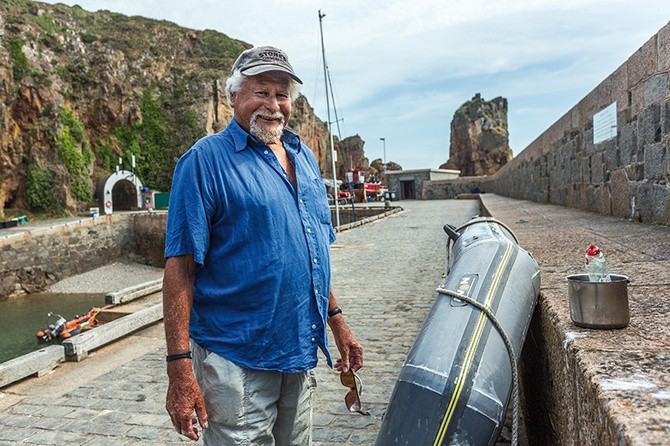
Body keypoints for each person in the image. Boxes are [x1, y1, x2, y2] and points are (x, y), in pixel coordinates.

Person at [162, 45, 364, 445]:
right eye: (261, 91)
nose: (273, 105)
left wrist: (336, 320)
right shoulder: (203, 162)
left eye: (282, 94)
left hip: (299, 349)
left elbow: (310, 254)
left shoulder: (303, 156)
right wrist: (179, 369)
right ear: (233, 95)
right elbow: (180, 268)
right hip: (236, 355)